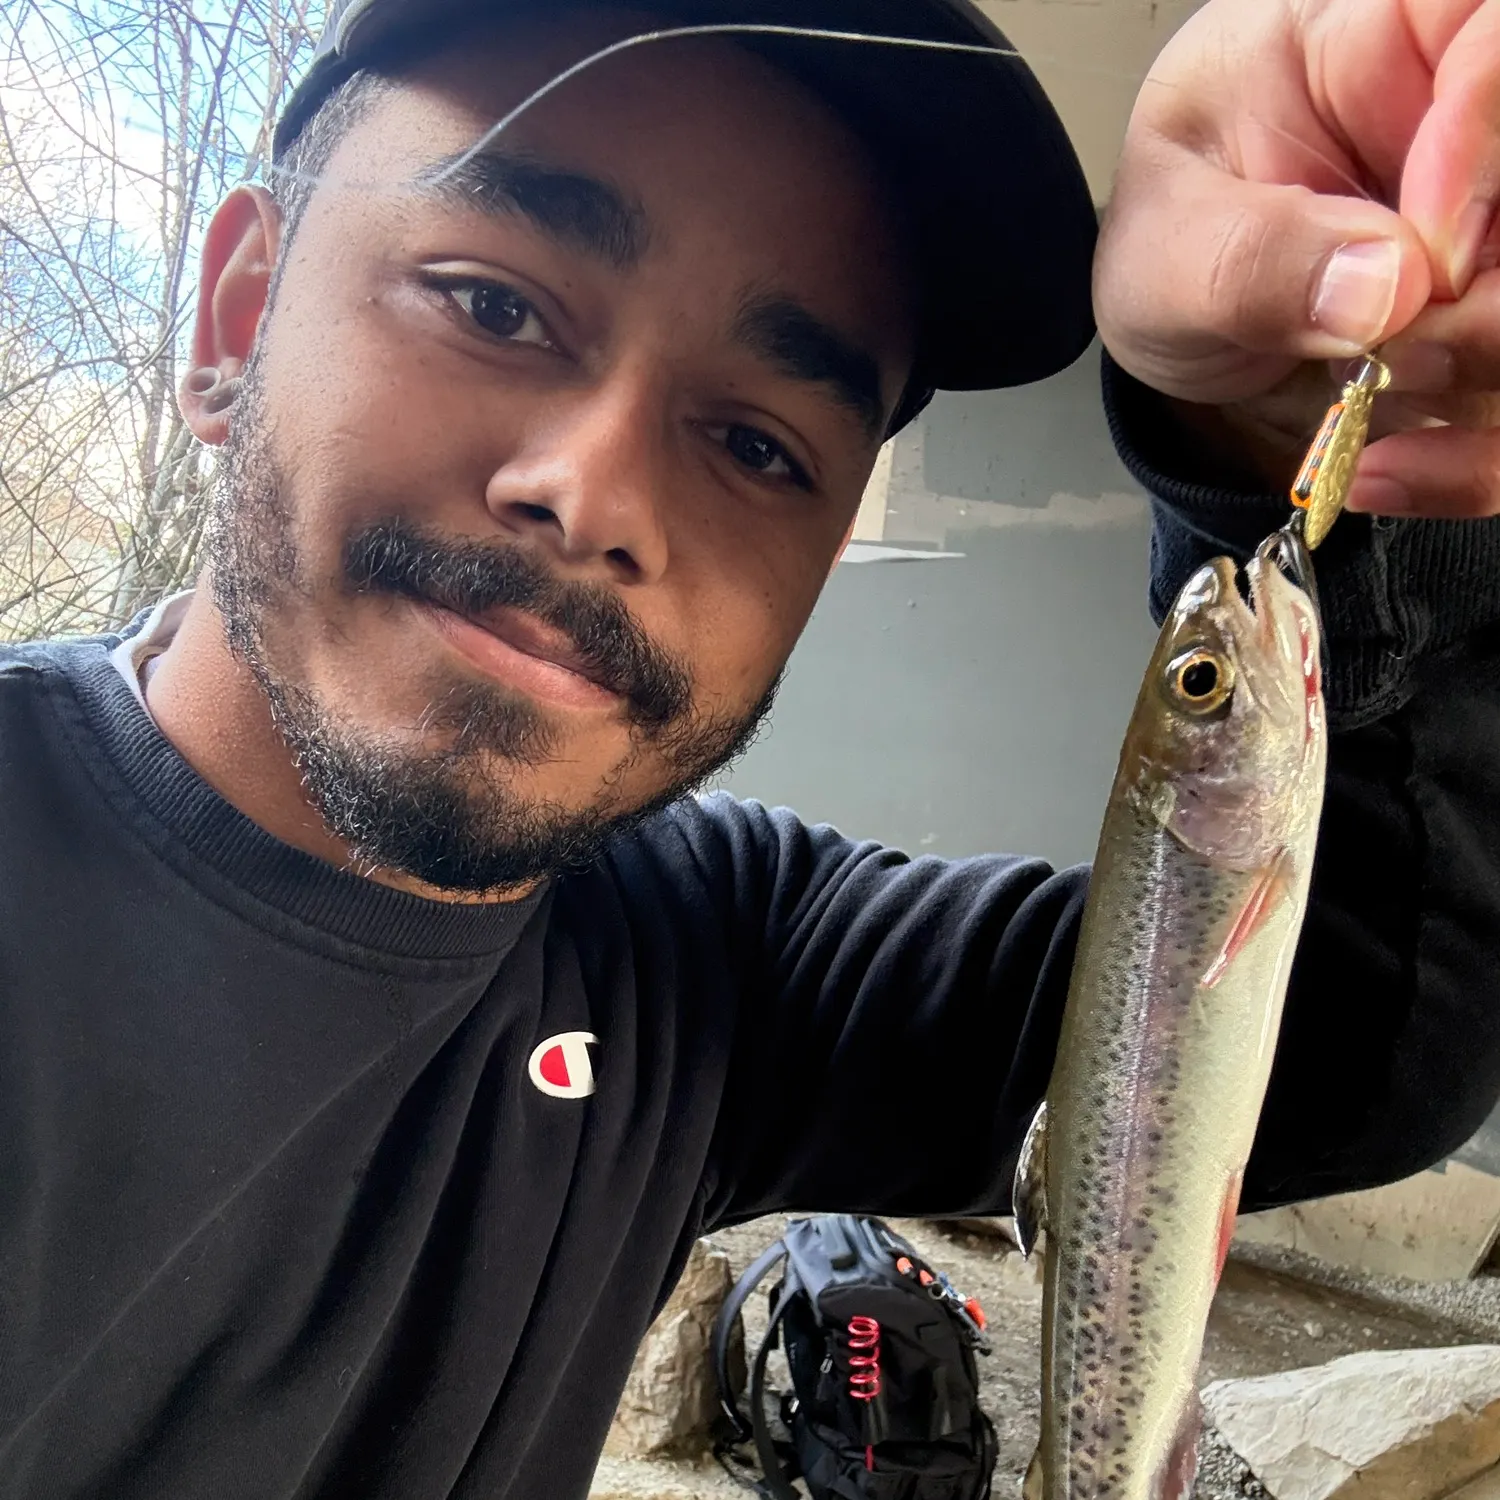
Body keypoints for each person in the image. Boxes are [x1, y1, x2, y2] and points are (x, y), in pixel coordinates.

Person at [3, 0, 1500, 1493]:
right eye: (493, 304)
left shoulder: (711, 964)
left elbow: (1357, 1037)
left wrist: (1269, 453)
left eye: (760, 445)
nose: (596, 500)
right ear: (235, 315)